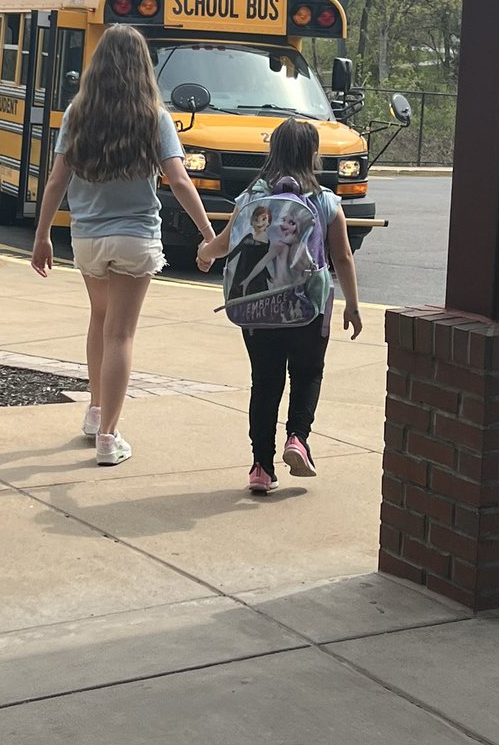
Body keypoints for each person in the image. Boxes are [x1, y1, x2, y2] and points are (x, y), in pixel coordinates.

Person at [31, 24, 216, 465]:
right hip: (136, 238)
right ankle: (109, 439)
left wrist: (41, 237)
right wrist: (209, 236)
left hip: (88, 238)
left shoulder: (78, 113)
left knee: (99, 319)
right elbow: (178, 179)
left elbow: (57, 179)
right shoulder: (155, 116)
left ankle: (95, 413)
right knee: (121, 333)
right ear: (143, 67)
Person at [197, 118, 362, 494]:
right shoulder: (325, 200)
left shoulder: (252, 197)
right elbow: (343, 257)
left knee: (265, 383)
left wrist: (205, 254)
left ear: (273, 151)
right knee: (307, 374)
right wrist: (352, 305)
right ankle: (298, 439)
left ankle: (260, 467)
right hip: (308, 308)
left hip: (258, 309)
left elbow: (225, 244)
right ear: (313, 155)